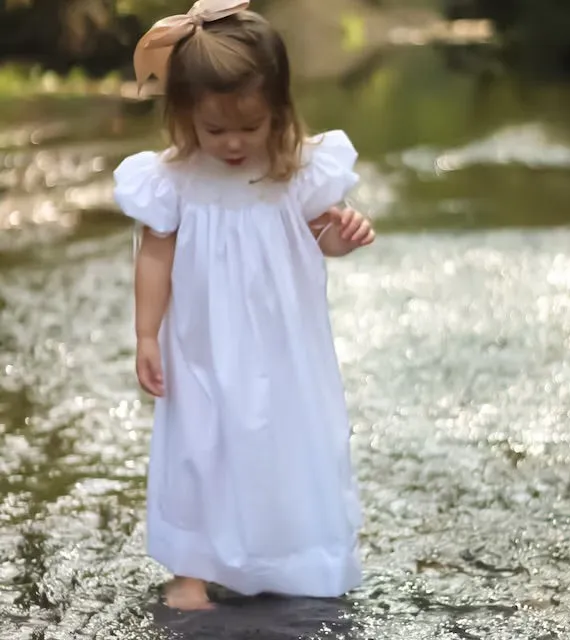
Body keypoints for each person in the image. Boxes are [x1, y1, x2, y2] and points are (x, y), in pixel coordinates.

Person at [113, 0, 375, 611]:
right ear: (185, 117)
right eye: (214, 129)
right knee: (200, 443)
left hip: (282, 348)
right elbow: (154, 257)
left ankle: (293, 556)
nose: (233, 142)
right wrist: (146, 335)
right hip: (202, 344)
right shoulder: (175, 180)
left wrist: (346, 235)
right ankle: (192, 571)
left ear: (279, 112)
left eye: (250, 127)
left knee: (283, 443)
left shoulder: (297, 173)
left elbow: (323, 237)